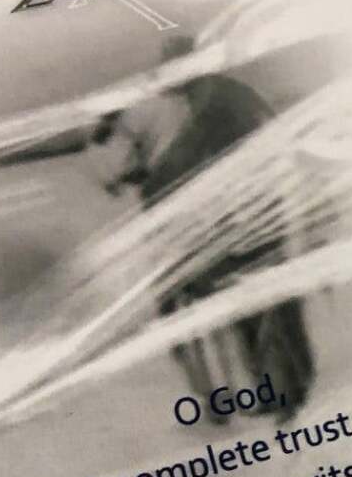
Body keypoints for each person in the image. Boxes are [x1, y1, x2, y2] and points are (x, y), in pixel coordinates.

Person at [89, 35, 314, 421]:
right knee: (250, 303)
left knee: (264, 303)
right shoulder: (205, 98)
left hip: (252, 209)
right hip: (238, 213)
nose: (169, 77)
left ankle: (289, 391)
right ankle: (277, 390)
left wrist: (152, 175)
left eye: (174, 68)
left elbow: (220, 150)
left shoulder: (217, 98)